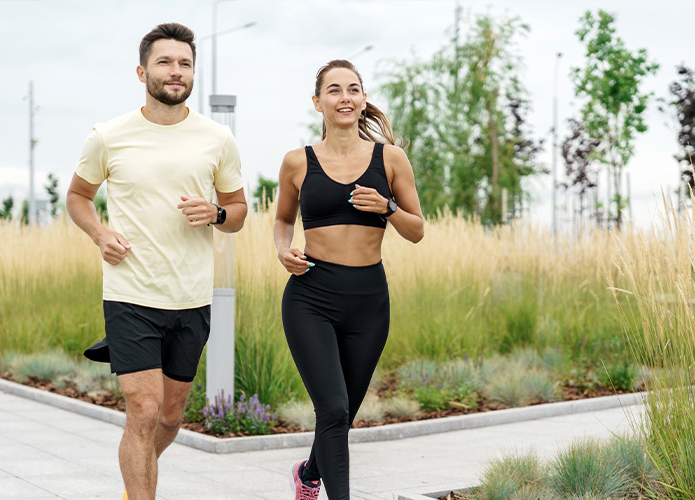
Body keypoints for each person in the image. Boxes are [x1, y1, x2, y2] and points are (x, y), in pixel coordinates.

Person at [65, 22, 247, 500]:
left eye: (185, 63)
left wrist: (216, 212)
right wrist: (100, 234)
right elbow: (78, 196)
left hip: (191, 297)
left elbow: (238, 212)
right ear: (142, 71)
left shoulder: (217, 138)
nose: (176, 71)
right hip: (130, 294)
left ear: (193, 73)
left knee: (169, 416)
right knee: (143, 411)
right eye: (165, 62)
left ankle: (134, 485)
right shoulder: (108, 135)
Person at [273, 59, 425, 500]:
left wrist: (388, 208)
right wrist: (283, 250)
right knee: (334, 409)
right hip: (311, 297)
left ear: (363, 98)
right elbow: (283, 220)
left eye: (353, 89)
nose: (345, 97)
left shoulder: (390, 159)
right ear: (317, 101)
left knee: (341, 415)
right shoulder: (296, 162)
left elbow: (417, 230)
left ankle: (308, 474)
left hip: (368, 302)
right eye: (334, 90)